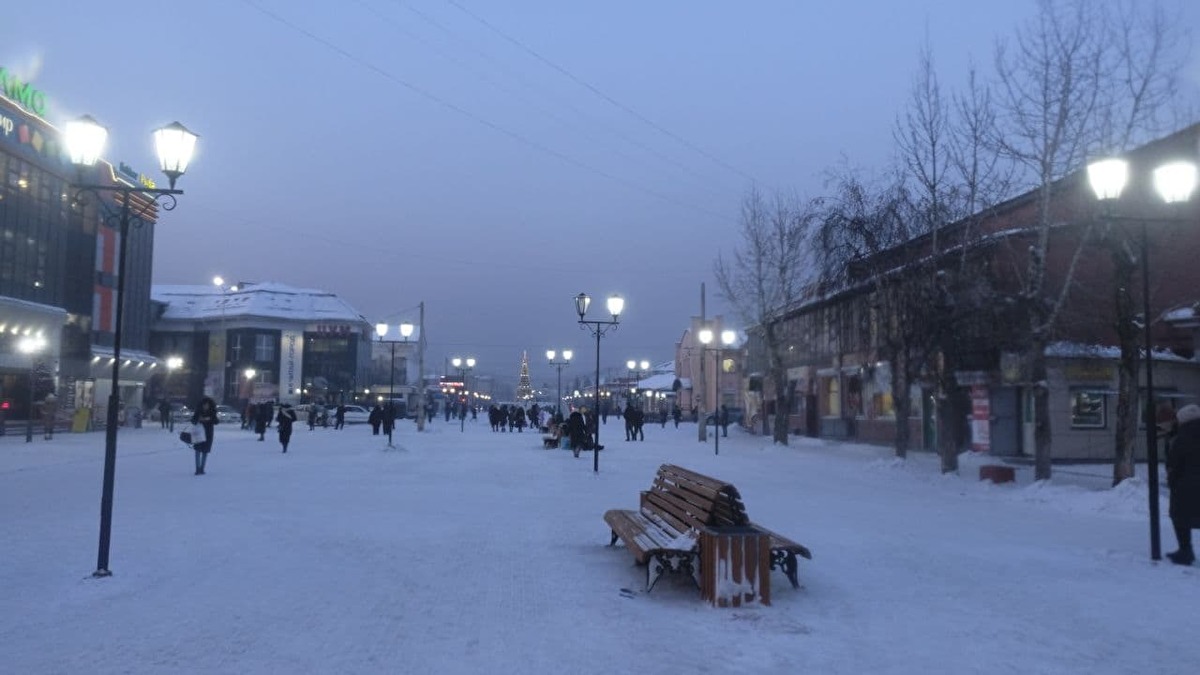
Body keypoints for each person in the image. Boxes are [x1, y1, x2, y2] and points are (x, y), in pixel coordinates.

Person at [1167, 404, 1200, 565]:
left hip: (1185, 486)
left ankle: (1185, 551)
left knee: (1179, 517)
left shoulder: (1181, 439)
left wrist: (1172, 482)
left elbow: (1174, 464)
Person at [191, 396, 218, 475]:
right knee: (197, 451)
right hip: (198, 434)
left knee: (205, 451)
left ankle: (202, 468)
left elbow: (216, 421)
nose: (205, 406)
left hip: (208, 434)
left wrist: (209, 419)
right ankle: (197, 468)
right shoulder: (198, 412)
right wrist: (198, 419)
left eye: (207, 405)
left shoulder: (212, 412)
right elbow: (193, 420)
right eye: (204, 405)